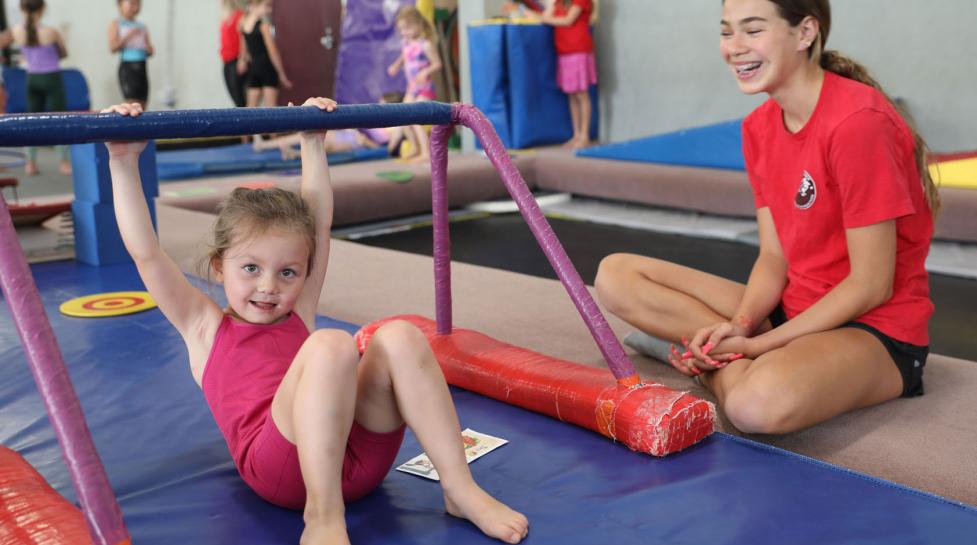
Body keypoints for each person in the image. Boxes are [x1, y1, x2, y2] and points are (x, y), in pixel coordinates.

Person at [101, 98, 529, 545]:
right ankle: (322, 516)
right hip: (284, 474)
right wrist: (123, 160)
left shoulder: (296, 308)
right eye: (250, 269)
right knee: (331, 344)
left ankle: (460, 489)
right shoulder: (204, 329)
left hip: (358, 460)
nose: (269, 287)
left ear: (304, 272)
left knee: (400, 335)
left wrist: (312, 139)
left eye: (287, 272)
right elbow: (146, 253)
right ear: (218, 265)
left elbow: (318, 224)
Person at [594, 0, 939, 435]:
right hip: (796, 309)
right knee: (615, 275)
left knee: (755, 406)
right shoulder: (758, 127)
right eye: (726, 31)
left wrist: (758, 343)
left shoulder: (857, 122)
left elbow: (872, 285)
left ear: (805, 32)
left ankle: (708, 367)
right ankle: (723, 353)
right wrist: (738, 325)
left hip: (874, 330)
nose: (735, 47)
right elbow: (774, 258)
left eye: (752, 30)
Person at [523, 0, 597, 149]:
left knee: (581, 93)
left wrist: (540, 18)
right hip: (564, 51)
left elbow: (568, 20)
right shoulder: (558, 2)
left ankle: (584, 135)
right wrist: (542, 11)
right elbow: (547, 14)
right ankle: (576, 134)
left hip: (578, 49)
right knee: (571, 93)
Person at [13, 0, 70, 176]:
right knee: (59, 119)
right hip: (51, 78)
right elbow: (64, 53)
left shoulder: (17, 31)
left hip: (32, 79)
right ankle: (63, 163)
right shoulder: (51, 32)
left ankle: (30, 163)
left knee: (31, 121)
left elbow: (25, 53)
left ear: (22, 8)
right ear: (42, 8)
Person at [387, 6, 441, 163]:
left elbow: (437, 63)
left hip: (424, 88)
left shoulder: (426, 44)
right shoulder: (406, 42)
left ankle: (426, 153)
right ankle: (415, 147)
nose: (403, 32)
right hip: (412, 87)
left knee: (416, 119)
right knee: (402, 118)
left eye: (407, 28)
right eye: (401, 29)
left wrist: (425, 72)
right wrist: (396, 66)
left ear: (418, 25)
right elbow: (404, 56)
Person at [240, 0, 291, 112]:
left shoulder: (244, 24)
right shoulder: (264, 26)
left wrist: (242, 61)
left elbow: (244, 50)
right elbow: (273, 52)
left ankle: (247, 129)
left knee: (250, 108)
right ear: (254, 5)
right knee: (271, 109)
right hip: (267, 68)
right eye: (267, 6)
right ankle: (272, 130)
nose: (270, 10)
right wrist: (281, 74)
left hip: (254, 68)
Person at [107, 0, 153, 110]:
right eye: (131, 3)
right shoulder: (116, 24)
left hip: (142, 66)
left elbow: (150, 50)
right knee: (132, 104)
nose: (134, 7)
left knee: (142, 104)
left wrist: (148, 48)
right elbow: (113, 47)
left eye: (137, 4)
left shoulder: (142, 26)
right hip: (128, 68)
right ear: (120, 5)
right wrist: (128, 36)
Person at [220, 0, 249, 108]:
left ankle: (244, 122)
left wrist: (242, 59)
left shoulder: (240, 15)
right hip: (226, 61)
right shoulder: (225, 17)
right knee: (234, 96)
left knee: (239, 98)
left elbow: (243, 39)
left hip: (236, 61)